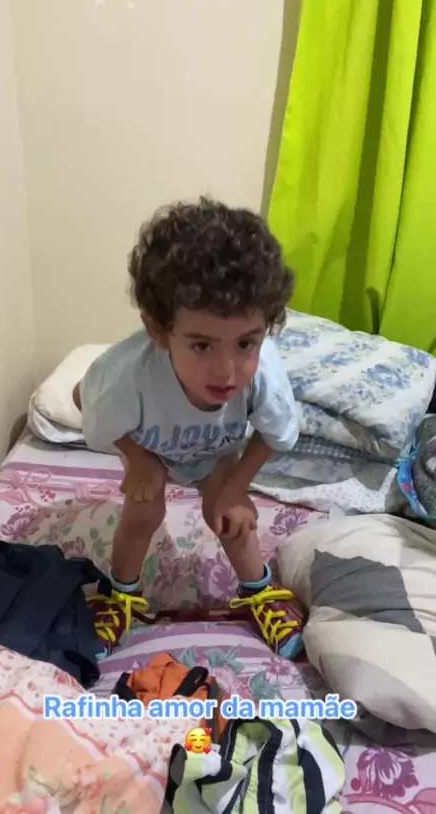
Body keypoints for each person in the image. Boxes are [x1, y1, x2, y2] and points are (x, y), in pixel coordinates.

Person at [73, 198, 304, 660]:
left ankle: (258, 591)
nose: (227, 371)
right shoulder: (127, 377)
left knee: (229, 516)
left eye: (246, 343)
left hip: (216, 451)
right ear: (159, 331)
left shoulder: (263, 376)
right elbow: (83, 398)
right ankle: (120, 595)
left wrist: (237, 487)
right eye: (201, 345)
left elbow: (276, 435)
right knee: (143, 512)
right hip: (153, 449)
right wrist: (137, 458)